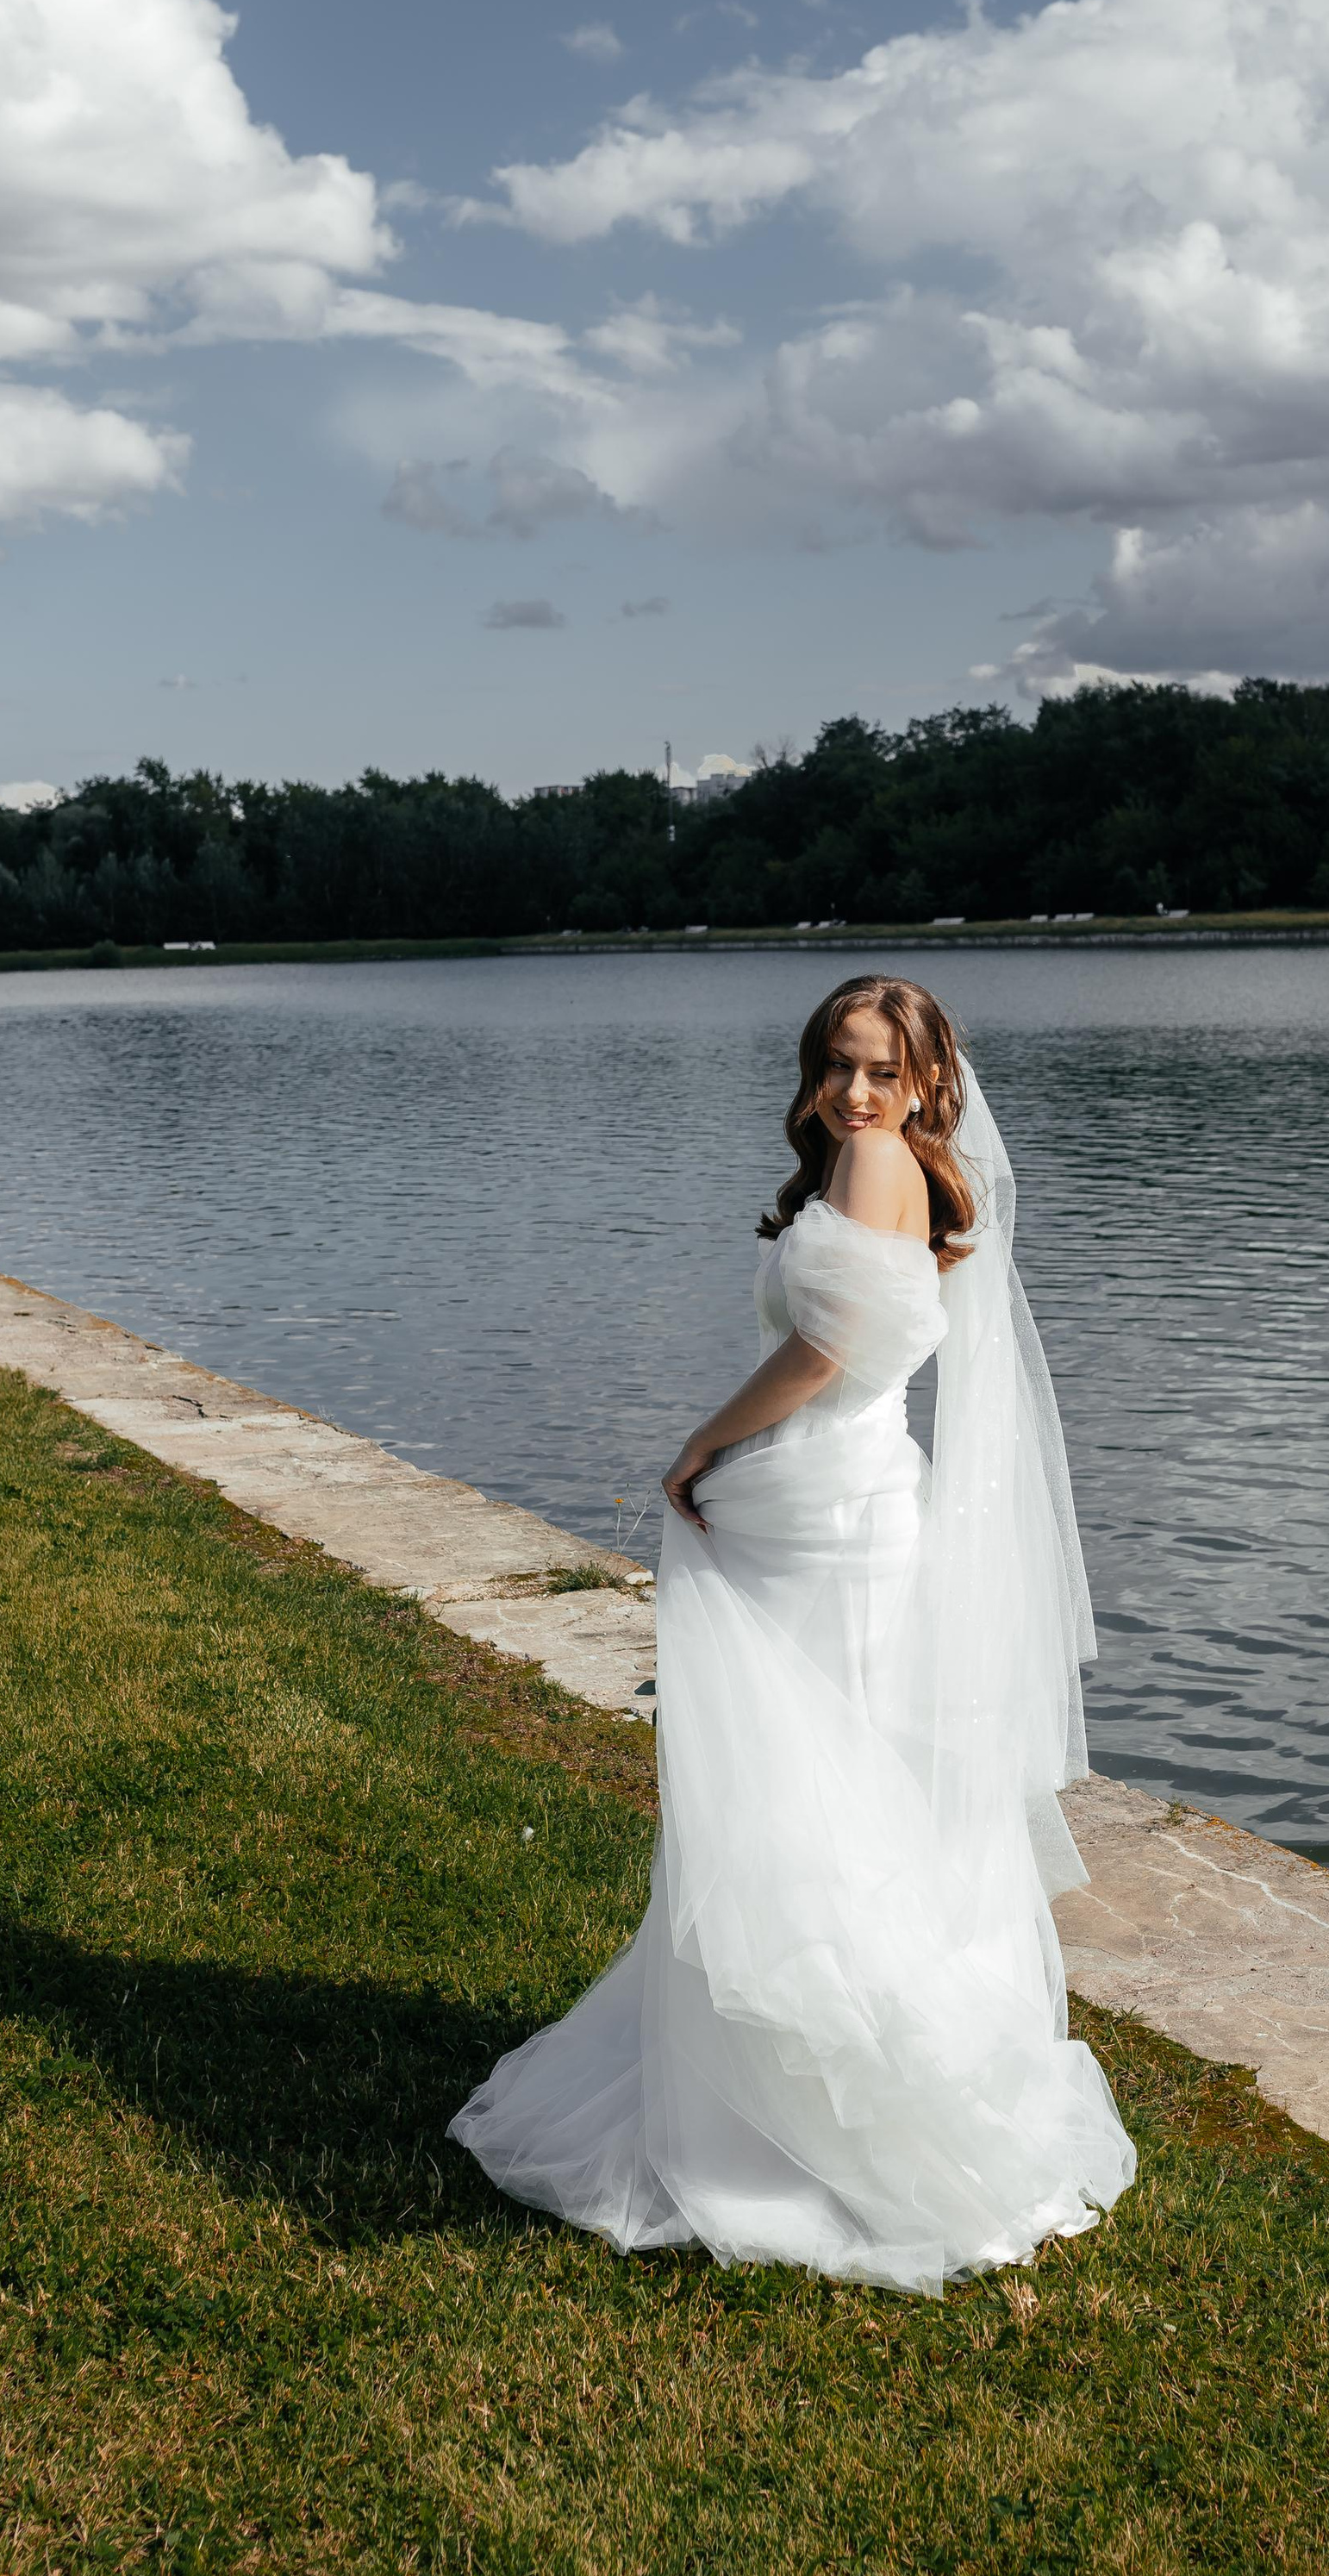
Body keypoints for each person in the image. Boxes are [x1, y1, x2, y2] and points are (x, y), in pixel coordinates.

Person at [449, 975, 1135, 2294]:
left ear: (930, 1080)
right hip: (838, 1502)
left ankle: (822, 2123)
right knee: (828, 1777)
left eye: (882, 1069)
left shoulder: (877, 1163)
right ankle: (789, 2085)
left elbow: (825, 1353)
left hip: (824, 1509)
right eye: (838, 1063)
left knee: (804, 1789)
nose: (856, 1092)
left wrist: (703, 1442)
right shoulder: (897, 1167)